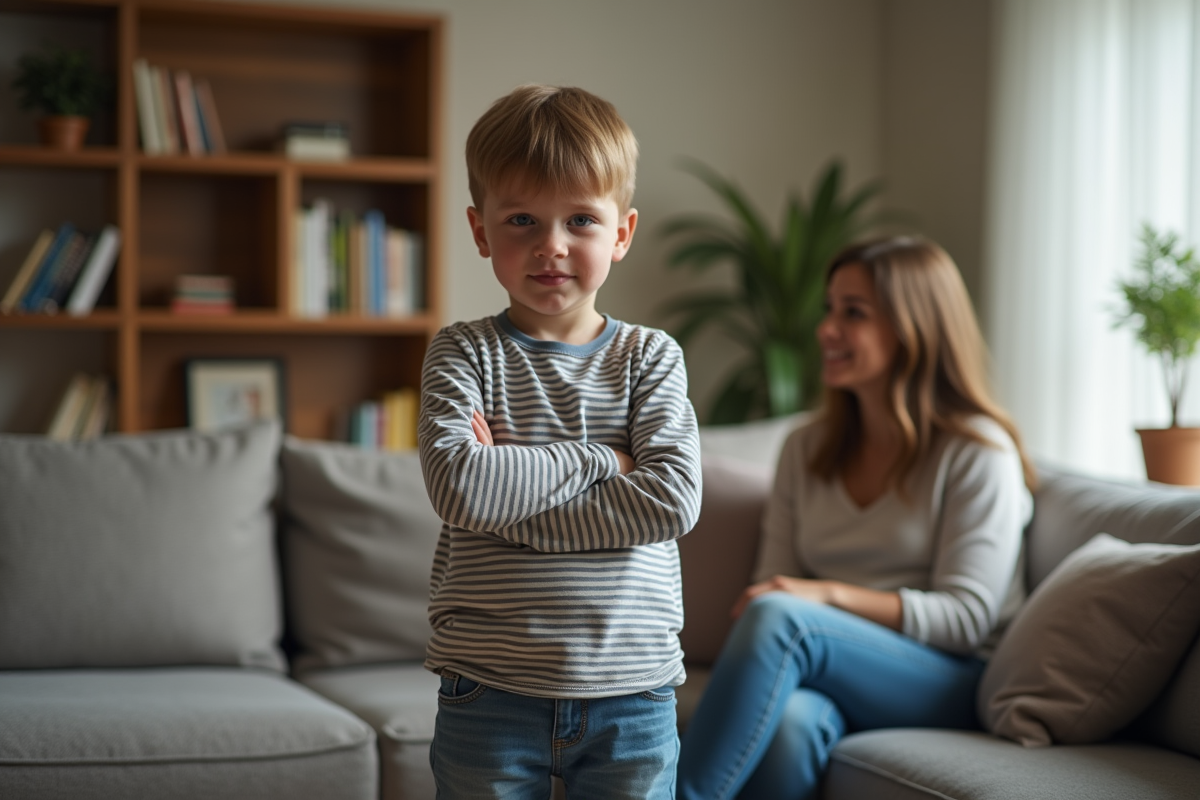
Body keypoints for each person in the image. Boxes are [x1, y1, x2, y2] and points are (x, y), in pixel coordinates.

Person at [417, 84, 702, 800]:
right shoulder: (462, 354)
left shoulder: (650, 358)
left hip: (633, 690)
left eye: (581, 219)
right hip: (487, 689)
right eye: (522, 219)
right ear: (481, 231)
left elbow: (670, 501)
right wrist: (604, 460)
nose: (552, 246)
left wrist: (510, 488)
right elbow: (459, 489)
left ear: (622, 233)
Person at [676, 236, 1037, 800]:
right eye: (829, 308)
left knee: (783, 616)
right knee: (791, 727)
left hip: (947, 677)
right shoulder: (806, 449)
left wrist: (827, 598)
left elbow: (967, 618)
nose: (826, 329)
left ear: (913, 328)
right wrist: (808, 606)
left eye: (854, 313)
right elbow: (769, 583)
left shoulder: (977, 453)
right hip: (830, 664)